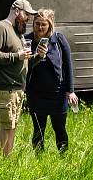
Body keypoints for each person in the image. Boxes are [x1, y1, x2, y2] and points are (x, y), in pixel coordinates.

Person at [0, 0, 38, 157]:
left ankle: (6, 160)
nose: (28, 18)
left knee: (12, 126)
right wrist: (17, 56)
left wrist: (37, 56)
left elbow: (21, 57)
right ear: (17, 11)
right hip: (5, 88)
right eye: (26, 14)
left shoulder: (17, 31)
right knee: (6, 127)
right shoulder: (1, 28)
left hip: (16, 88)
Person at [25, 8, 78, 152]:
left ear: (50, 24)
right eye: (37, 24)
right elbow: (23, 67)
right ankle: (39, 161)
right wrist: (36, 56)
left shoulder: (59, 40)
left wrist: (70, 91)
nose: (40, 27)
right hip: (36, 95)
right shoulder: (27, 40)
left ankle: (63, 157)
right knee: (38, 130)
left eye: (43, 24)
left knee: (59, 128)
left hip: (57, 94)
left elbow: (68, 66)